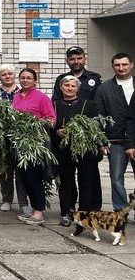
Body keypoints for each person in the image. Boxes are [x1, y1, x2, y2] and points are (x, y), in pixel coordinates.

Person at [52, 75, 103, 227]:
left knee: (87, 181)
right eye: (66, 85)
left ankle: (84, 213)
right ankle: (67, 212)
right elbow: (49, 123)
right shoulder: (54, 104)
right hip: (63, 150)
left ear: (78, 89)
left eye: (73, 86)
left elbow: (96, 126)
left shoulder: (89, 105)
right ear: (61, 88)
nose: (69, 88)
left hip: (85, 150)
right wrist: (57, 132)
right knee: (66, 182)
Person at [12, 67, 56, 225]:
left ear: (35, 81)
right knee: (25, 178)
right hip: (20, 144)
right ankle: (33, 209)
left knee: (34, 177)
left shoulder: (41, 97)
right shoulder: (17, 96)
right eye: (22, 78)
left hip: (35, 144)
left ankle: (39, 211)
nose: (25, 80)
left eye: (28, 78)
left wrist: (34, 123)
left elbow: (51, 120)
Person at [95, 53, 135, 213]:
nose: (121, 68)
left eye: (124, 64)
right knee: (116, 179)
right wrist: (102, 140)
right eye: (117, 65)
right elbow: (99, 115)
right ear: (113, 66)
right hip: (115, 141)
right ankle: (120, 211)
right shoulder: (104, 88)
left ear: (131, 65)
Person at [0, 64, 29, 214]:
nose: (7, 76)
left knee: (22, 171)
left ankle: (23, 202)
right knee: (5, 170)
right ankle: (7, 200)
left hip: (21, 136)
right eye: (4, 74)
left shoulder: (22, 92)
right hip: (2, 137)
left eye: (10, 74)